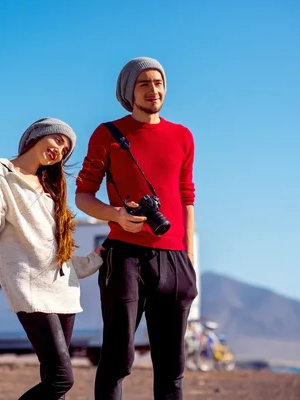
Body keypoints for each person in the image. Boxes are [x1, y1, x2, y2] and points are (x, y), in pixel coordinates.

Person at [75, 57, 199, 399]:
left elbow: (187, 198)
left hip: (174, 260)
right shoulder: (107, 134)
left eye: (158, 83)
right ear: (128, 91)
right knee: (117, 360)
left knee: (172, 368)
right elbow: (83, 196)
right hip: (125, 257)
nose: (153, 90)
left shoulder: (182, 136)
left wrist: (188, 258)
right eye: (144, 83)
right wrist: (115, 214)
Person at [0, 117, 104, 400]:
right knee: (61, 379)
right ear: (37, 135)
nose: (59, 150)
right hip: (31, 290)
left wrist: (93, 260)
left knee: (54, 387)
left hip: (64, 292)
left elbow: (57, 257)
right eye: (57, 140)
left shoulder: (49, 192)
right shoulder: (1, 173)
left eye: (65, 150)